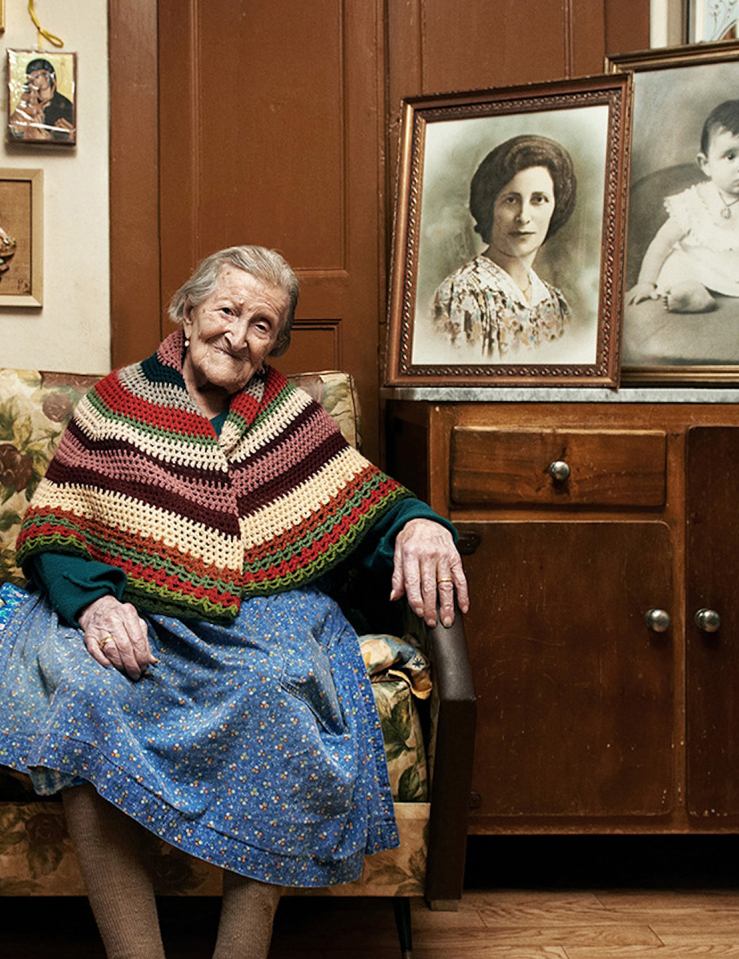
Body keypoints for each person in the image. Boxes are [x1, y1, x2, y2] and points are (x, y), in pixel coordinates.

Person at [0, 245, 468, 959]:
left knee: (278, 688)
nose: (238, 335)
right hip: (129, 602)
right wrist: (94, 605)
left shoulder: (291, 416)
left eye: (261, 324)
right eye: (226, 310)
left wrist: (418, 521)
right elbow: (58, 530)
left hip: (262, 611)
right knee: (86, 689)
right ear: (187, 314)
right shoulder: (116, 401)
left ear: (273, 343)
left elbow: (360, 513)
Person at [432, 134, 576, 360]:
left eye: (538, 199)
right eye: (511, 200)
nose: (523, 217)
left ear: (556, 207)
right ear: (489, 207)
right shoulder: (461, 295)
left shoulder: (555, 303)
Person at [627, 100, 739, 314]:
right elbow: (662, 243)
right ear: (706, 164)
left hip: (732, 272)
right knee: (677, 268)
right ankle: (690, 294)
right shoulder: (695, 201)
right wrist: (645, 283)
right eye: (730, 156)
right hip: (694, 267)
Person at [8, 57, 74, 142]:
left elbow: (68, 133)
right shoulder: (28, 101)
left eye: (37, 76)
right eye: (31, 79)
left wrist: (51, 136)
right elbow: (14, 128)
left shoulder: (64, 104)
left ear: (48, 76)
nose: (34, 81)